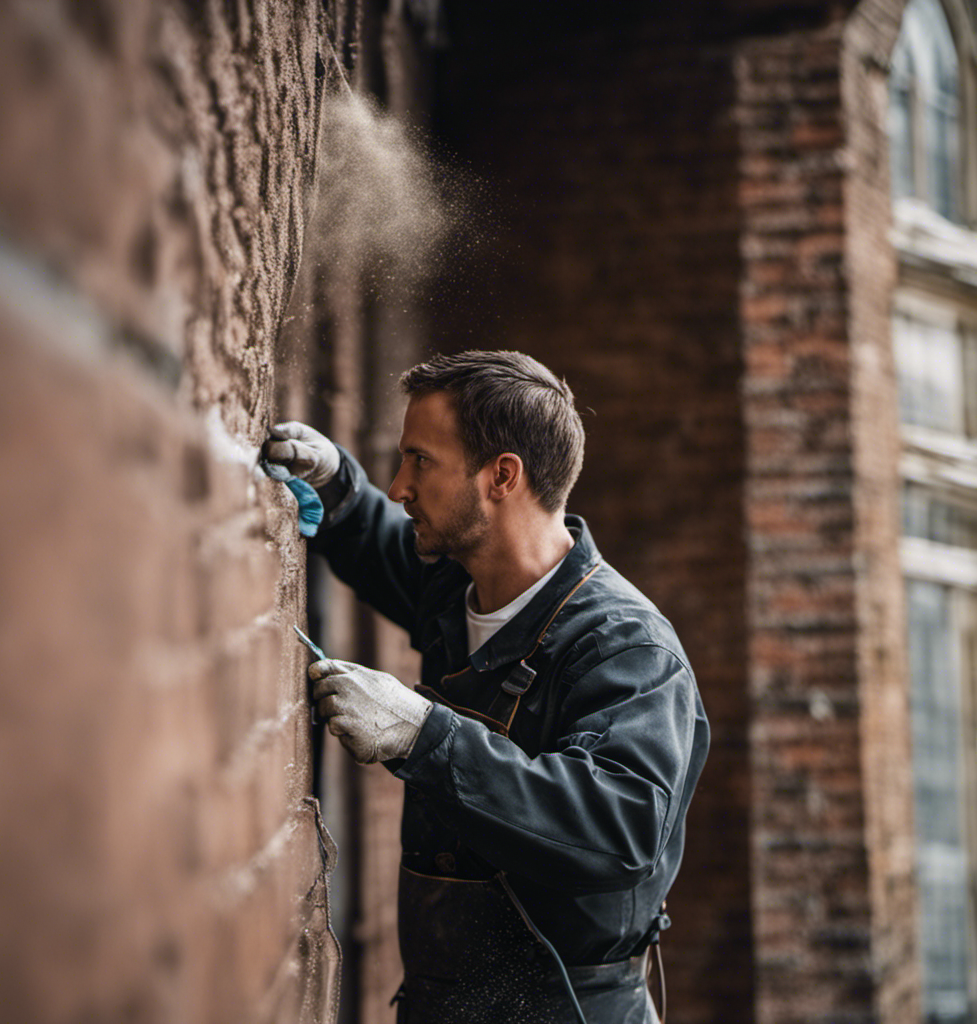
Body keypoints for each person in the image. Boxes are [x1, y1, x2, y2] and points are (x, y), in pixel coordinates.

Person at [260, 350, 709, 1024]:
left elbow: (621, 830)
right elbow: (387, 546)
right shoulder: (460, 585)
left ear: (501, 475)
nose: (399, 486)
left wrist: (424, 733)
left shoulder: (626, 646)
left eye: (420, 461)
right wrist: (337, 487)